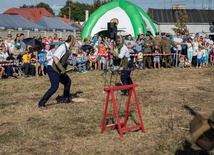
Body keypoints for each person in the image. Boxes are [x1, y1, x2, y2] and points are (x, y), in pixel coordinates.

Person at [38, 35, 75, 108]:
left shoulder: (66, 48)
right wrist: (62, 69)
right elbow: (55, 58)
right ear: (71, 41)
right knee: (54, 87)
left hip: (57, 68)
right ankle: (41, 103)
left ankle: (66, 99)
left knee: (67, 81)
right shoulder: (63, 47)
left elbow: (62, 60)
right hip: (52, 68)